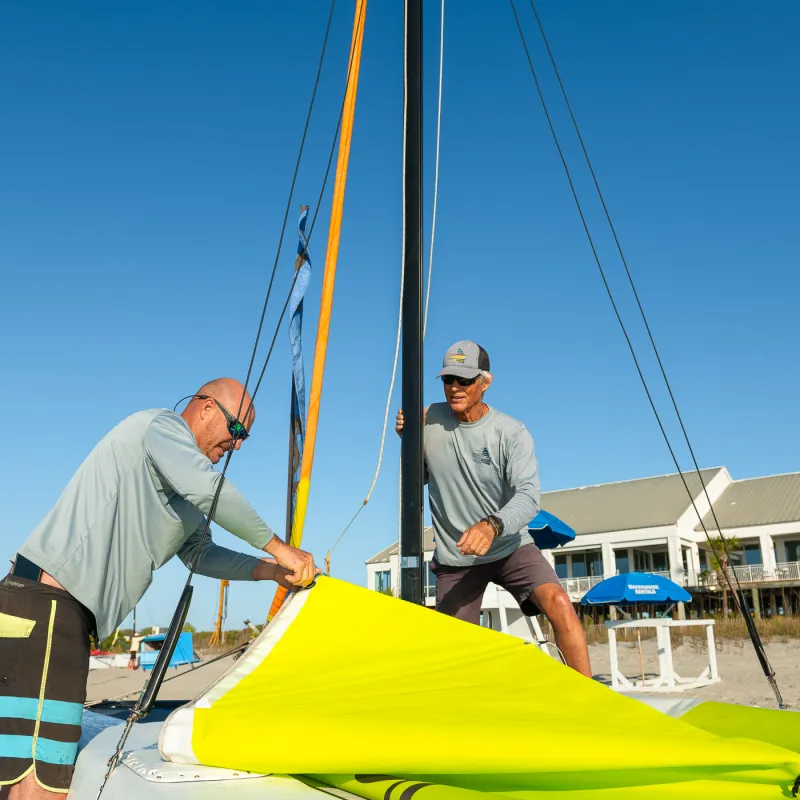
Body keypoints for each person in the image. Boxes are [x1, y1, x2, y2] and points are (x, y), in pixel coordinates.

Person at [0, 378, 319, 799]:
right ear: (205, 408)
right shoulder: (159, 428)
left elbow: (200, 554)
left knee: (36, 772)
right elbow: (212, 492)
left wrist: (271, 572)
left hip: (65, 619)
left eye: (246, 438)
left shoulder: (183, 492)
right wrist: (280, 549)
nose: (238, 445)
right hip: (47, 609)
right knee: (37, 783)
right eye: (236, 430)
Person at [395, 341, 591, 678]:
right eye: (448, 379)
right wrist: (408, 442)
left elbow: (529, 496)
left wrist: (491, 526)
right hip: (457, 559)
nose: (455, 388)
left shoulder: (511, 432)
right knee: (456, 657)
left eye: (465, 380)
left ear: (486, 382)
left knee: (560, 604)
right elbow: (419, 482)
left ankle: (593, 703)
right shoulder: (426, 421)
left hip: (509, 546)